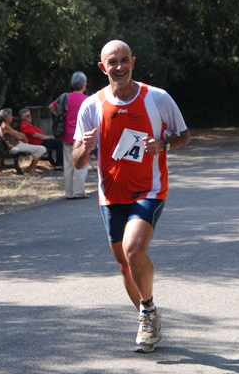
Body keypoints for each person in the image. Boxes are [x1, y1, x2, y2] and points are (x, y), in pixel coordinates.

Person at [72, 40, 190, 353]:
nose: (120, 67)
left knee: (134, 251)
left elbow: (184, 136)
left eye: (125, 60)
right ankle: (147, 318)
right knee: (125, 265)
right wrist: (85, 146)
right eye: (113, 62)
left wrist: (163, 146)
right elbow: (77, 162)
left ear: (133, 62)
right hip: (110, 195)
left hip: (150, 188)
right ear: (103, 67)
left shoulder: (157, 98)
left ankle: (148, 312)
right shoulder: (91, 106)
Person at [49, 72, 89, 199]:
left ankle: (68, 193)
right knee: (81, 163)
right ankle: (78, 192)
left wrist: (61, 116)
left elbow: (51, 106)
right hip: (81, 135)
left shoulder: (65, 97)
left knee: (68, 163)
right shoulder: (87, 100)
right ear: (83, 85)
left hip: (66, 134)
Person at [0, 108, 46, 175]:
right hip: (15, 147)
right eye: (11, 115)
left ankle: (30, 169)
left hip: (17, 145)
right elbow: (18, 136)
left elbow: (18, 133)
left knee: (40, 149)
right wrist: (20, 135)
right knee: (41, 149)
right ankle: (31, 170)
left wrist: (20, 134)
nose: (12, 117)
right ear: (6, 117)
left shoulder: (6, 125)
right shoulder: (5, 126)